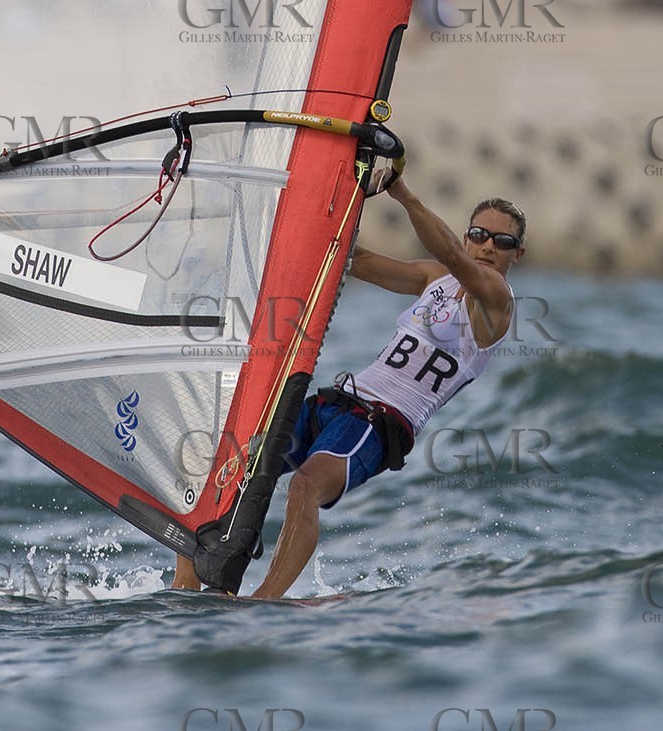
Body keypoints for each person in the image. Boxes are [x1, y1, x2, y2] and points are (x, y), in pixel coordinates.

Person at [171, 178, 524, 597]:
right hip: (339, 401)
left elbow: (448, 251)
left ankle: (263, 603)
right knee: (224, 463)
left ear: (517, 255)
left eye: (501, 242)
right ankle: (186, 592)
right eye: (479, 235)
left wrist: (401, 192)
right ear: (469, 236)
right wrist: (318, 205)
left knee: (305, 488)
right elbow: (357, 261)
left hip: (381, 423)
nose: (487, 247)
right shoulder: (436, 278)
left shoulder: (497, 299)